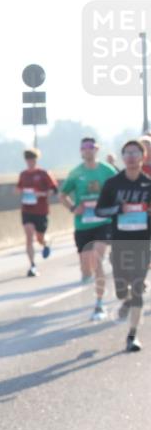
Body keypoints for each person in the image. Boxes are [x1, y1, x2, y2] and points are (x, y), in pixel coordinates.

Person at [95, 139, 151, 352]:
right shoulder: (112, 184)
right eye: (127, 153)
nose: (131, 156)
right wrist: (120, 209)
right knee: (121, 291)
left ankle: (132, 336)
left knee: (137, 289)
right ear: (122, 157)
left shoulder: (148, 184)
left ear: (143, 157)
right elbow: (100, 211)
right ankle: (125, 300)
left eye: (135, 152)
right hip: (120, 242)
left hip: (142, 244)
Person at [59, 137, 117, 321]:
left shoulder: (107, 170)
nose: (88, 150)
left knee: (98, 259)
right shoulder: (76, 173)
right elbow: (62, 195)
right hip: (83, 224)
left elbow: (118, 190)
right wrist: (72, 208)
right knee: (87, 268)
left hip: (103, 222)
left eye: (91, 147)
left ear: (96, 149)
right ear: (81, 151)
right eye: (84, 147)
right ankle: (86, 273)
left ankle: (99, 305)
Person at [15, 148, 59, 277]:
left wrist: (42, 194)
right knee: (29, 236)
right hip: (27, 209)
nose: (30, 162)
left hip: (41, 210)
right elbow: (18, 187)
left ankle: (46, 243)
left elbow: (54, 190)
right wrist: (19, 191)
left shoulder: (44, 173)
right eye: (28, 160)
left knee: (40, 238)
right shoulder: (23, 174)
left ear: (36, 160)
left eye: (32, 160)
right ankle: (32, 265)